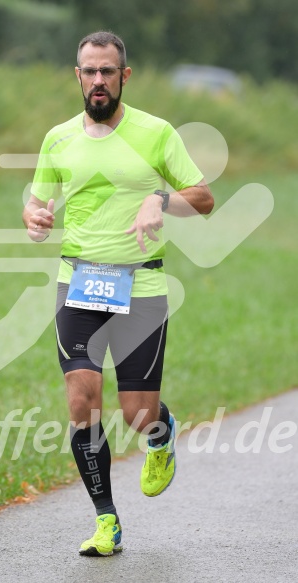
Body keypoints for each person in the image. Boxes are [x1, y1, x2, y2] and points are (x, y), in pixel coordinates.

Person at [23, 31, 214, 557]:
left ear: (124, 76)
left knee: (136, 412)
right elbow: (37, 202)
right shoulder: (58, 138)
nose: (98, 80)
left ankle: (161, 433)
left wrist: (160, 199)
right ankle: (107, 520)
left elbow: (203, 198)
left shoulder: (156, 133)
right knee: (83, 401)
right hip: (78, 283)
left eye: (108, 71)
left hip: (142, 286)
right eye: (90, 71)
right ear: (77, 76)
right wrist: (35, 218)